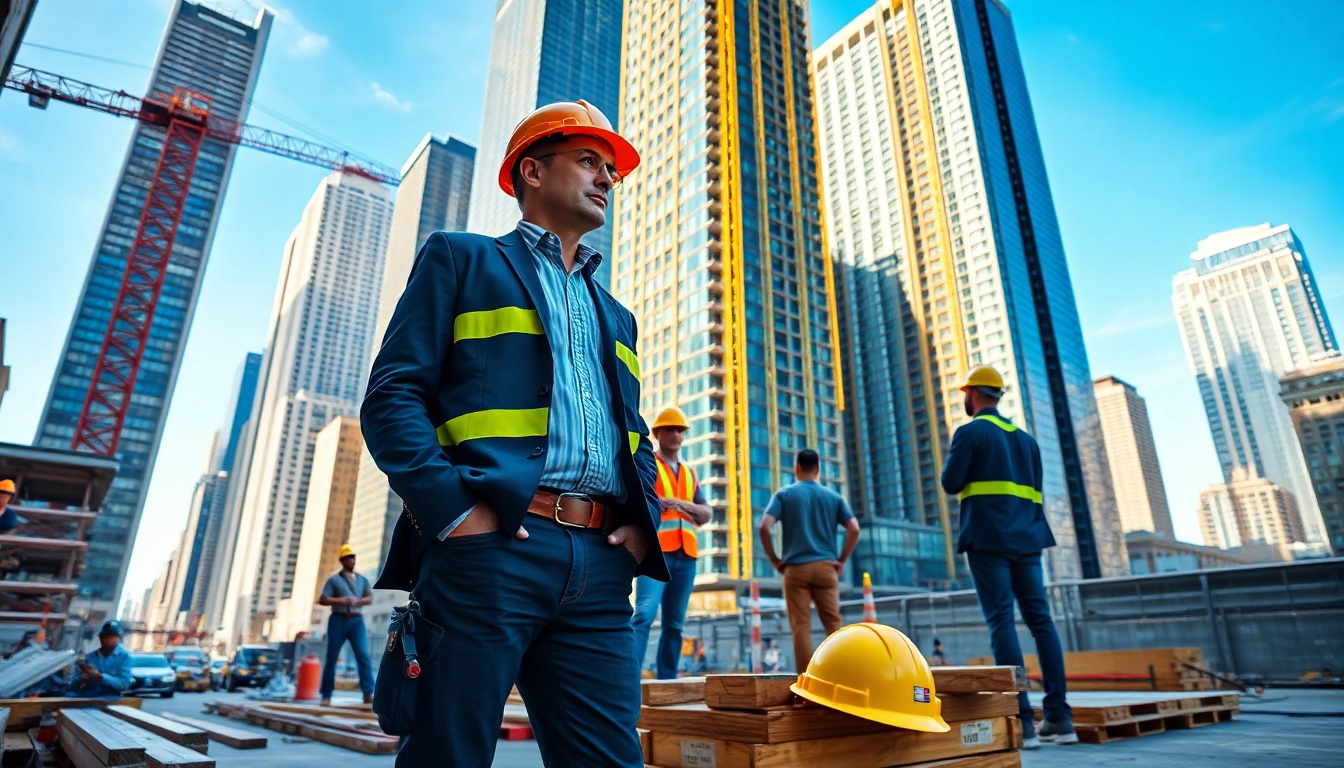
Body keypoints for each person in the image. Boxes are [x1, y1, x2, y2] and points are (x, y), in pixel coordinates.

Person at [362, 99, 665, 767]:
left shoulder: (615, 315)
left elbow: (633, 434)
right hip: (492, 548)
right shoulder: (461, 261)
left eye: (610, 168)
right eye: (589, 161)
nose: (606, 178)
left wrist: (638, 528)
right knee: (450, 755)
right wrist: (454, 513)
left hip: (600, 567)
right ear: (532, 170)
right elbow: (392, 398)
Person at [940, 365, 1076, 748]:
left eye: (965, 392)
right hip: (1028, 539)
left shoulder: (969, 433)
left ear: (974, 393)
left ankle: (1024, 724)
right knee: (1041, 622)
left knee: (1001, 622)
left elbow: (951, 483)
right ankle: (1060, 720)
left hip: (988, 538)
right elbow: (1034, 492)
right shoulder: (1027, 440)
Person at [759, 448, 861, 672]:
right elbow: (854, 528)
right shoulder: (833, 497)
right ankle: (841, 674)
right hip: (826, 567)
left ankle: (806, 683)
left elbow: (764, 526)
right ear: (818, 470)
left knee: (801, 627)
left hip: (795, 570)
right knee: (834, 624)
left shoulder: (784, 495)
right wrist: (841, 560)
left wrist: (775, 560)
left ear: (796, 469)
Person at [631, 407, 711, 679]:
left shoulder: (690, 474)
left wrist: (680, 505)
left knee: (675, 624)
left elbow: (706, 513)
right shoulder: (649, 464)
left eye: (680, 430)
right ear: (658, 434)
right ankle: (629, 677)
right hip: (656, 554)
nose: (677, 434)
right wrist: (669, 504)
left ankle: (667, 680)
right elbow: (642, 498)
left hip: (686, 557)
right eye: (671, 429)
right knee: (643, 616)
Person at [316, 544, 374, 706]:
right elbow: (323, 599)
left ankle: (368, 693)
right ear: (342, 560)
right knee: (332, 657)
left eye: (353, 557)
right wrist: (341, 600)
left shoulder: (362, 580)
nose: (352, 560)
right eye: (349, 557)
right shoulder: (333, 580)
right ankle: (326, 695)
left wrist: (359, 601)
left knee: (363, 656)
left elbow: (369, 598)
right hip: (338, 620)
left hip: (356, 621)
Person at [67, 620, 131, 698]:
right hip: (87, 695)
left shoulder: (123, 656)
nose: (106, 640)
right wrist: (81, 680)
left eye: (111, 636)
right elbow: (72, 684)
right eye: (104, 636)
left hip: (110, 697)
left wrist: (100, 677)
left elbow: (124, 684)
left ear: (118, 638)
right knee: (68, 696)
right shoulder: (89, 654)